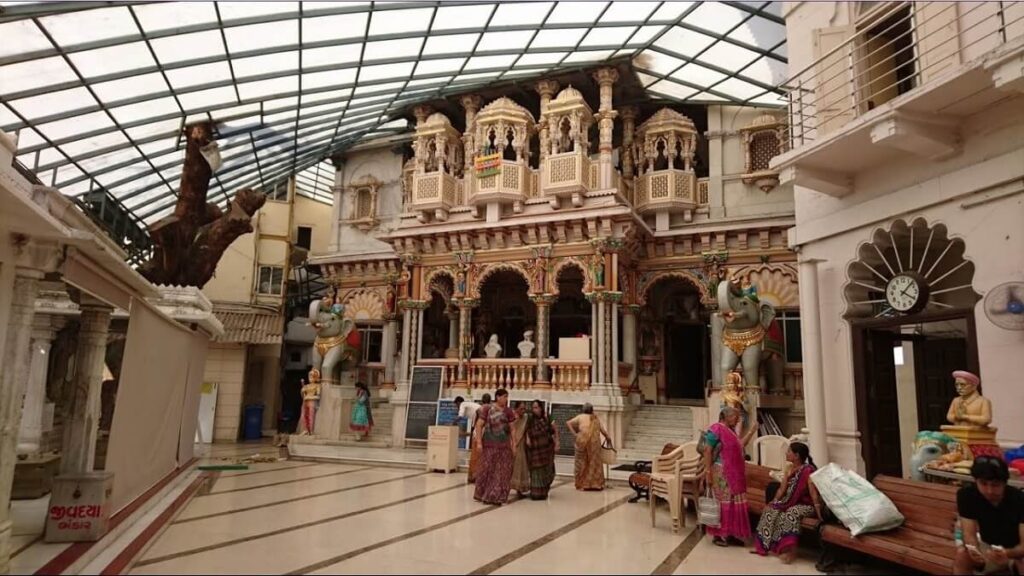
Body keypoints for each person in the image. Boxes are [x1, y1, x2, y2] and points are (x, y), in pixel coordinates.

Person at [954, 456, 1024, 575]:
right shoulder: (967, 495)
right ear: (975, 481)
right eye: (983, 483)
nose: (989, 490)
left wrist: (1007, 553)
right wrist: (975, 552)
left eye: (995, 485)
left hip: (1015, 551)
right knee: (962, 556)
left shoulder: (1019, 499)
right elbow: (969, 534)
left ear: (1004, 482)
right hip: (988, 547)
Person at [753, 442, 819, 563]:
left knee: (790, 513)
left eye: (789, 451)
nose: (786, 453)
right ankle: (763, 546)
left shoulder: (808, 471)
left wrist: (819, 513)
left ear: (797, 455)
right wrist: (774, 501)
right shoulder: (789, 468)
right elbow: (781, 489)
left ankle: (790, 552)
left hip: (807, 506)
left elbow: (814, 494)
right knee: (770, 510)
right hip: (789, 502)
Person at [703, 406, 757, 547]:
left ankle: (731, 533)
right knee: (724, 502)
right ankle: (720, 535)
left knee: (733, 503)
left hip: (735, 474)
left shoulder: (731, 432)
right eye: (734, 416)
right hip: (722, 472)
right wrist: (707, 472)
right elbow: (707, 451)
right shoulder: (716, 429)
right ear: (725, 416)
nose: (737, 419)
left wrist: (752, 431)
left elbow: (740, 445)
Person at [473, 389, 517, 505]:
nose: (506, 399)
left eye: (507, 397)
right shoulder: (487, 409)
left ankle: (498, 495)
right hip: (489, 445)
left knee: (503, 472)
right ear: (497, 397)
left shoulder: (508, 411)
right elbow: (479, 425)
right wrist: (479, 442)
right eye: (504, 397)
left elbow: (512, 429)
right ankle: (484, 493)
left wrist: (514, 444)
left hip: (504, 446)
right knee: (488, 470)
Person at [567, 403, 612, 491]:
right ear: (592, 410)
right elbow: (602, 430)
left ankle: (581, 484)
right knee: (593, 463)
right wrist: (608, 437)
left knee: (582, 463)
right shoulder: (595, 418)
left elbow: (568, 423)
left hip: (581, 442)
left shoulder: (580, 417)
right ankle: (595, 484)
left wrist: (575, 434)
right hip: (593, 444)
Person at [525, 399, 558, 500]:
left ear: (540, 408)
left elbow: (554, 430)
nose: (535, 410)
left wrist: (557, 442)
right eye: (533, 408)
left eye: (536, 407)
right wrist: (528, 439)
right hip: (535, 449)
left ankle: (544, 491)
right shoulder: (530, 418)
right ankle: (535, 492)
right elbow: (526, 430)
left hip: (546, 448)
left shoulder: (547, 417)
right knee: (536, 470)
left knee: (547, 470)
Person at [466, 393, 490, 484]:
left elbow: (474, 424)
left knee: (475, 456)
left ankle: (473, 476)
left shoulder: (478, 410)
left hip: (477, 434)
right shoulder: (492, 409)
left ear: (482, 400)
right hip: (487, 434)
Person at [509, 401, 530, 498]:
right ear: (516, 409)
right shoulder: (512, 417)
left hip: (521, 445)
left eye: (524, 409)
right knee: (510, 467)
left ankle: (519, 489)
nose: (523, 411)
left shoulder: (525, 418)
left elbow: (526, 430)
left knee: (521, 466)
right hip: (512, 444)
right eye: (521, 409)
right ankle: (506, 488)